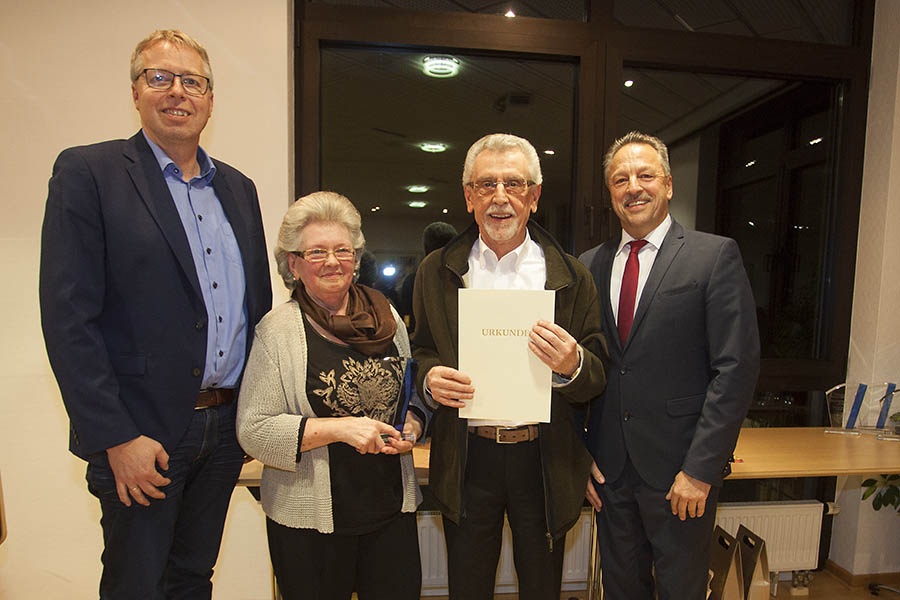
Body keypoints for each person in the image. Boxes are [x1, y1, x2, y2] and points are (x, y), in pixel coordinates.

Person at [39, 30, 272, 598]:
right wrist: (116, 436)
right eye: (159, 77)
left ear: (210, 99)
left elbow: (256, 309)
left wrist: (250, 417)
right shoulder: (89, 173)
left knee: (192, 578)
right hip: (142, 434)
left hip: (222, 433)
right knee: (135, 584)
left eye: (192, 81)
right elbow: (68, 318)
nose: (177, 92)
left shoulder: (238, 189)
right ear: (137, 92)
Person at [411, 133, 608, 599]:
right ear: (468, 196)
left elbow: (598, 371)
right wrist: (428, 378)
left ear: (534, 197)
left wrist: (572, 363)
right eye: (486, 184)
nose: (500, 198)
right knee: (467, 587)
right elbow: (420, 352)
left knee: (542, 587)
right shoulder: (436, 271)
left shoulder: (571, 275)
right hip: (467, 456)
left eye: (514, 184)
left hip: (542, 457)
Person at [578, 131, 760, 600]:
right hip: (609, 472)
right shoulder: (589, 267)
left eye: (644, 175)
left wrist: (701, 469)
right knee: (621, 589)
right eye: (620, 179)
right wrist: (580, 456)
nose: (633, 187)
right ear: (611, 192)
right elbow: (582, 370)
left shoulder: (713, 256)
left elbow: (735, 368)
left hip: (682, 475)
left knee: (682, 589)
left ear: (669, 184)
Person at [236, 191, 427, 600]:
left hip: (390, 512)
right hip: (311, 523)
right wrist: (339, 429)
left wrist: (412, 422)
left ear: (356, 258)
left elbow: (409, 392)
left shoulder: (388, 317)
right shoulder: (278, 331)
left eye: (342, 250)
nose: (332, 261)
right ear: (294, 264)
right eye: (316, 252)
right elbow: (254, 430)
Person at [397, 221, 458, 331]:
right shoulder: (464, 277)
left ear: (426, 247)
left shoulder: (413, 280)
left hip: (421, 341)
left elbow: (407, 315)